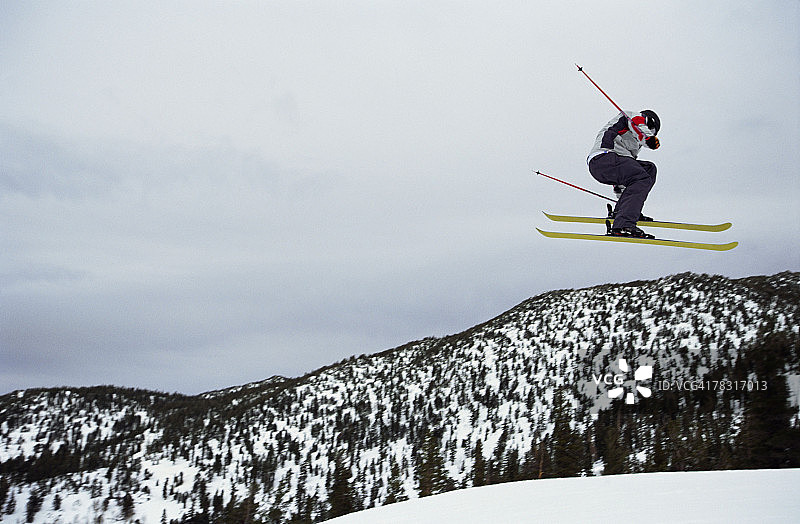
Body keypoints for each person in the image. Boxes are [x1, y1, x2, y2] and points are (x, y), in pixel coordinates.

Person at [587, 110, 660, 238]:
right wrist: (648, 138)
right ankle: (624, 224)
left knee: (648, 169)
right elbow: (638, 124)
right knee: (641, 178)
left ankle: (623, 213)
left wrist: (624, 207)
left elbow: (627, 178)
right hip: (604, 157)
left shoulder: (631, 147)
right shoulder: (633, 116)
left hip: (609, 164)